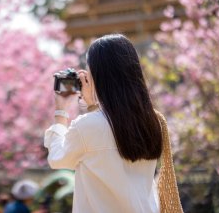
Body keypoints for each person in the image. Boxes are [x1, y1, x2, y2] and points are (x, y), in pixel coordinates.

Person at [44, 34, 163, 213]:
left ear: (98, 74)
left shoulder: (86, 126)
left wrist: (61, 111)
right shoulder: (152, 121)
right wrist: (93, 105)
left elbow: (57, 159)